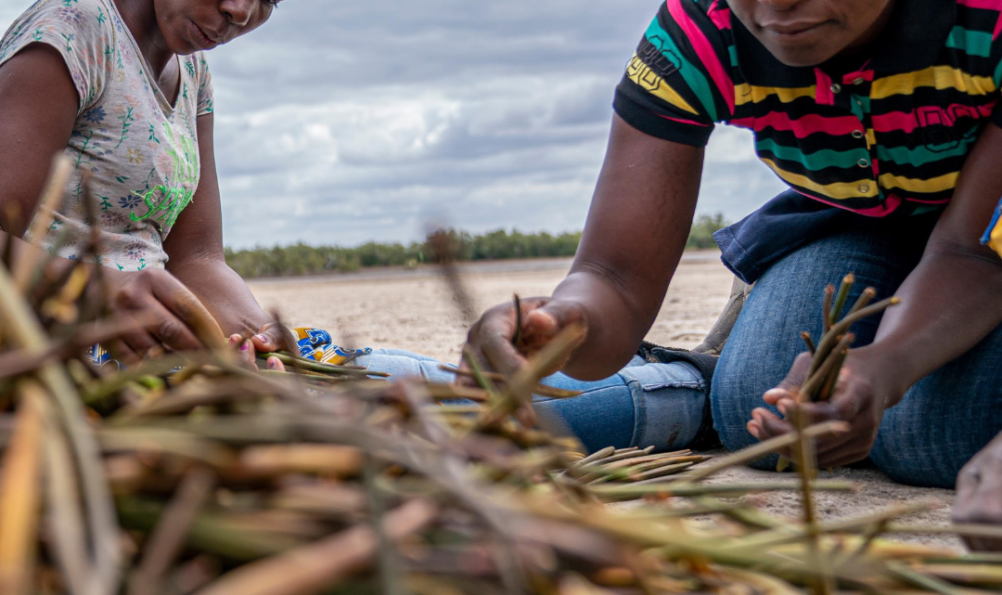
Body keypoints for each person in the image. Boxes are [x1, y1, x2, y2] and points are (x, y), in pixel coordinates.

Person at [461, 0, 1002, 546]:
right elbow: (614, 275)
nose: (777, 3)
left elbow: (971, 253)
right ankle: (701, 376)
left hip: (986, 243)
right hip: (856, 219)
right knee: (756, 403)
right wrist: (564, 322)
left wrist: (885, 364)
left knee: (926, 434)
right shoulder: (702, 30)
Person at [0, 0, 297, 364]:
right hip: (40, 352)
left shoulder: (193, 72)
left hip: (144, 350)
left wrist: (257, 333)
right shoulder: (73, 30)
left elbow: (196, 257)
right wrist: (96, 289)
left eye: (268, 0)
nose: (240, 10)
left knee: (370, 375)